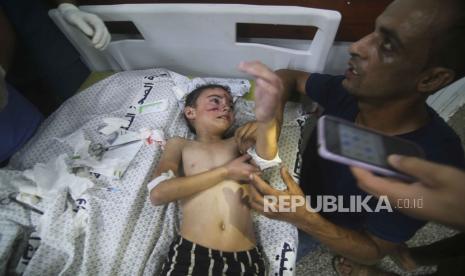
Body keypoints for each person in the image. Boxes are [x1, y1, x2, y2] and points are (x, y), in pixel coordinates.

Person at [237, 0, 465, 274]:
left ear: (430, 79)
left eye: (387, 44)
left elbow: (373, 251)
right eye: (374, 31)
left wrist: (304, 218)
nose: (357, 46)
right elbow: (288, 77)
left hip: (327, 222)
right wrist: (273, 120)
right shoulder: (353, 92)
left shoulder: (433, 167)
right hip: (299, 191)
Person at [149, 77, 282, 275]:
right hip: (193, 254)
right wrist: (226, 171)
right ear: (190, 112)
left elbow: (268, 155)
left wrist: (264, 125)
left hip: (245, 258)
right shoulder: (180, 145)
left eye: (229, 104)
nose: (226, 107)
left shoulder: (238, 141)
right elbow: (158, 193)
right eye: (215, 101)